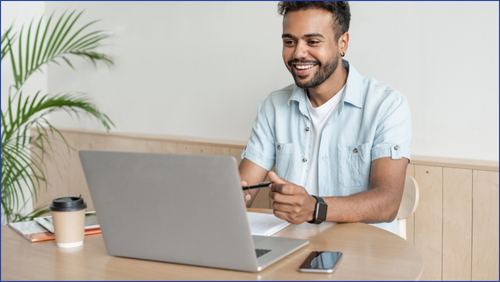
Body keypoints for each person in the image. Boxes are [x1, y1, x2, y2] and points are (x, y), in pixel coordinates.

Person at [239, 1, 411, 234]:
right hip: (291, 251)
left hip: (364, 255)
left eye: (313, 41)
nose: (298, 53)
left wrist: (315, 208)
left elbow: (387, 203)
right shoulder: (273, 106)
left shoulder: (386, 105)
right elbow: (243, 189)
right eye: (290, 41)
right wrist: (233, 198)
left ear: (343, 43)